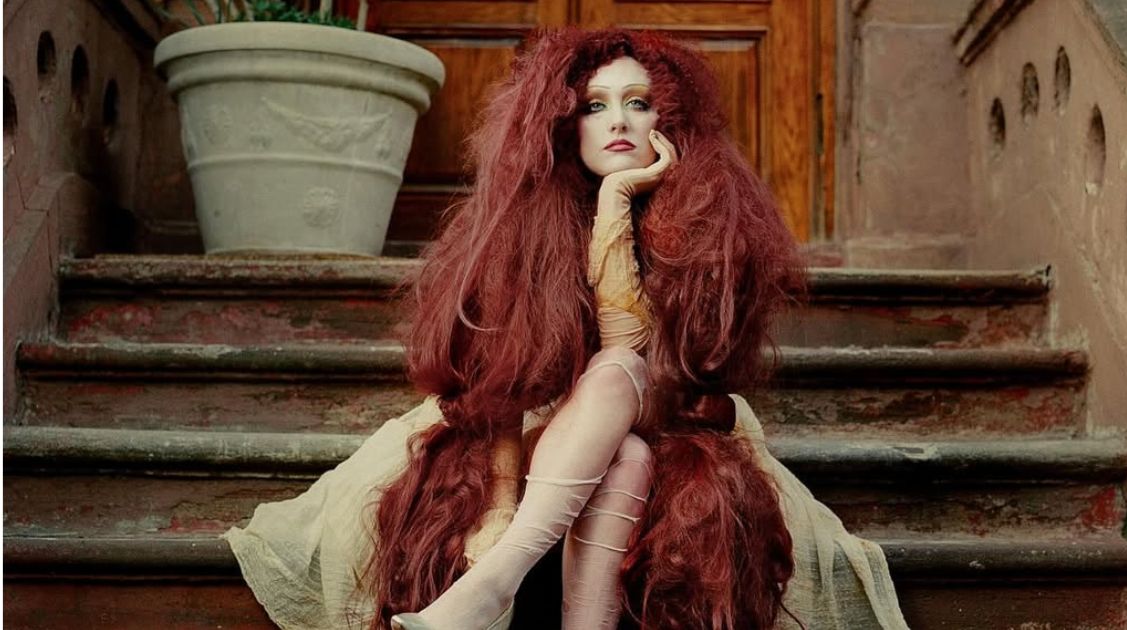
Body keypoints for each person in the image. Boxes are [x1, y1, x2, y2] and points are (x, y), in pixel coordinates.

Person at [221, 27, 910, 630]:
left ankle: (496, 585)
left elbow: (649, 363)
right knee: (620, 433)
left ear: (671, 121)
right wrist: (497, 507)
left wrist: (617, 201)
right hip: (540, 437)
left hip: (659, 418)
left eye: (639, 103)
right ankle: (516, 583)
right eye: (595, 105)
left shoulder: (709, 230)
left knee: (623, 398)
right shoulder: (521, 229)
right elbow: (496, 392)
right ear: (563, 124)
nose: (619, 121)